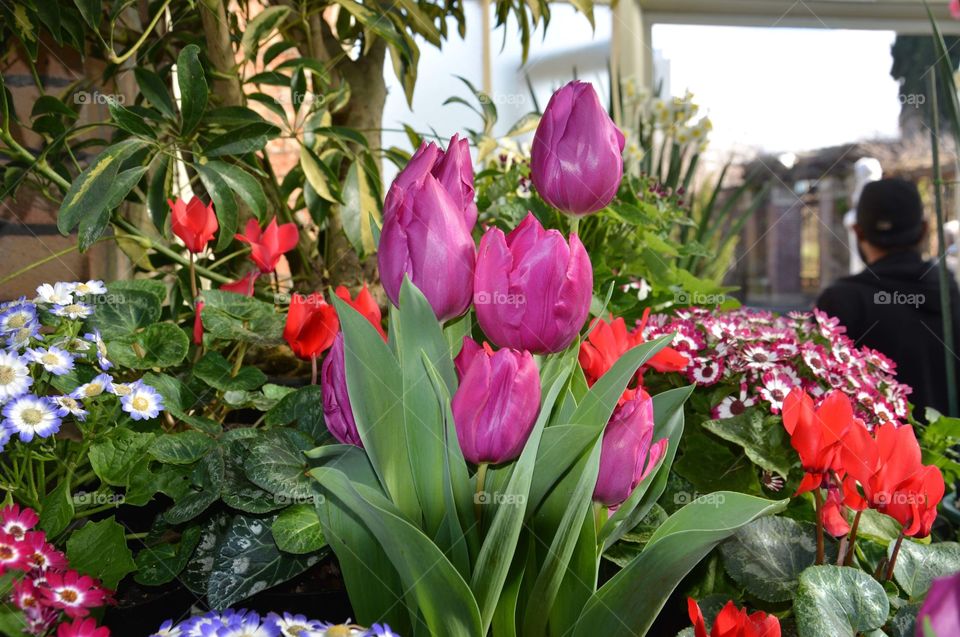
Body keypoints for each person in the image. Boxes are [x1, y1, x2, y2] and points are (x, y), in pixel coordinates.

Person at [817, 177, 960, 418]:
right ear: (924, 229)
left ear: (858, 231)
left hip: (872, 454)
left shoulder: (840, 301)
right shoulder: (950, 292)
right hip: (948, 451)